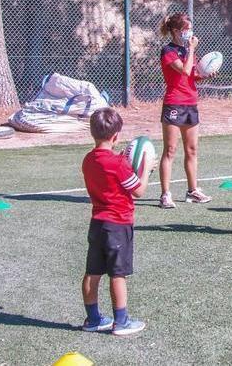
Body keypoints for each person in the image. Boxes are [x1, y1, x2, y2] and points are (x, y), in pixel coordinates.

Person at [80, 108, 150, 336]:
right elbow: (139, 189)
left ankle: (92, 319)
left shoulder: (89, 159)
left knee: (93, 272)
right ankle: (121, 322)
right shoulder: (118, 164)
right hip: (118, 224)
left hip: (97, 223)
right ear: (116, 135)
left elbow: (106, 170)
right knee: (117, 274)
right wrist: (146, 168)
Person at [157, 12, 211, 209]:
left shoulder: (189, 51)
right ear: (175, 31)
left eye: (190, 28)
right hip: (174, 103)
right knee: (170, 150)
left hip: (190, 103)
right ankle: (165, 195)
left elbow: (193, 74)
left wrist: (205, 74)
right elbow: (184, 70)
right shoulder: (168, 51)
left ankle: (192, 190)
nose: (189, 32)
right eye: (186, 29)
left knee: (192, 149)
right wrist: (190, 49)